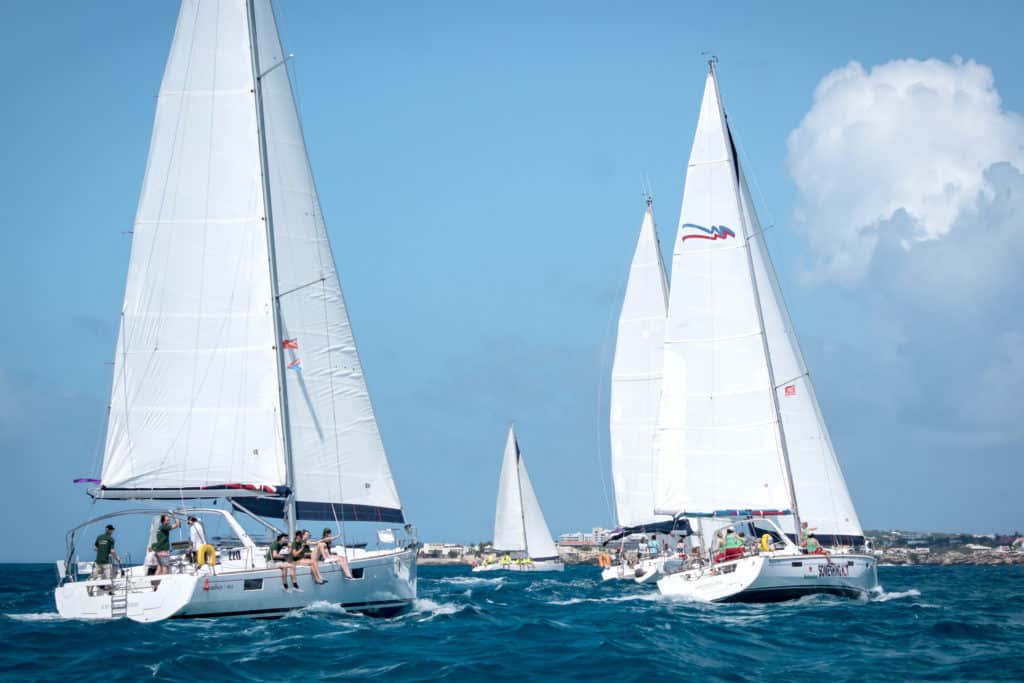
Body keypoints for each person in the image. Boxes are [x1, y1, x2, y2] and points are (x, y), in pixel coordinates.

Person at [90, 524, 120, 595]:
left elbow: (95, 548)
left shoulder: (99, 537)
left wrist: (102, 551)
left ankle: (90, 591)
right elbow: (112, 551)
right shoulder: (111, 539)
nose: (112, 531)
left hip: (98, 561)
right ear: (109, 530)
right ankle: (110, 592)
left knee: (94, 577)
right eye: (112, 530)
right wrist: (117, 558)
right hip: (106, 562)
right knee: (108, 577)